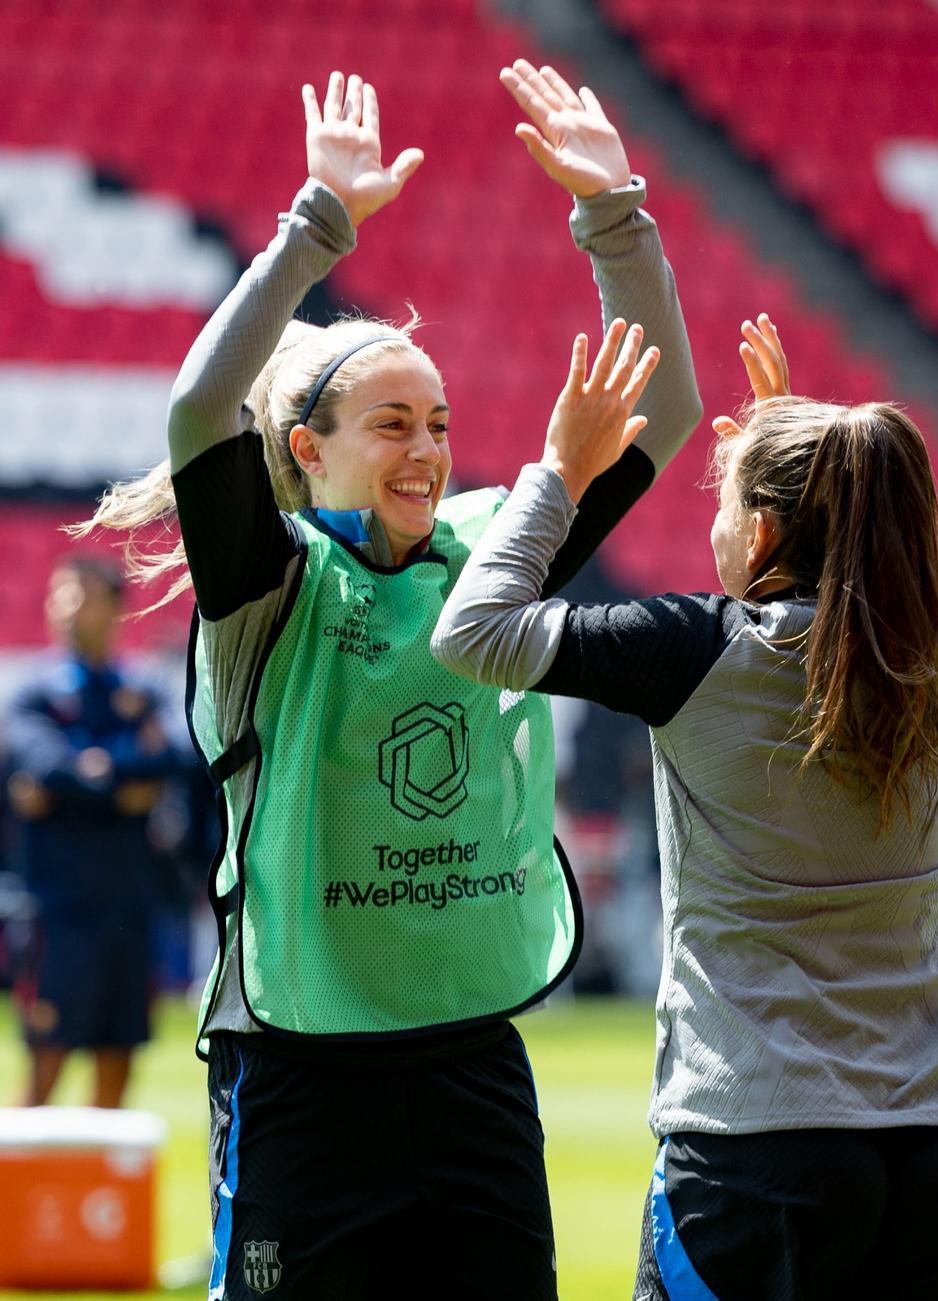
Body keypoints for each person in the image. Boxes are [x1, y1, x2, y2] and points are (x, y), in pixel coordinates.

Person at [80, 65, 699, 1299]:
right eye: (391, 423)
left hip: (471, 1057)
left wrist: (616, 211)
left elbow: (668, 404)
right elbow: (204, 406)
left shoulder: (490, 548)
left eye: (440, 420)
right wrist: (318, 221)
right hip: (301, 1061)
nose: (428, 449)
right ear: (307, 451)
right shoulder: (268, 574)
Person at [432, 316, 938, 1300]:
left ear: (767, 530)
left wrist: (562, 471)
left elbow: (473, 633)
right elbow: (847, 574)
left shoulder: (695, 651)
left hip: (760, 1139)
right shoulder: (931, 657)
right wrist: (785, 442)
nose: (714, 525)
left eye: (726, 503)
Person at [6, 554, 180, 1108]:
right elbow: (43, 762)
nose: (63, 608)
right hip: (58, 913)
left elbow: (175, 757)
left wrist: (76, 782)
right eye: (58, 595)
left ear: (113, 608)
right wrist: (121, 781)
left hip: (129, 908)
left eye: (78, 594)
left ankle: (98, 1194)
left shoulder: (145, 688)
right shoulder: (33, 693)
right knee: (46, 1065)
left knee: (118, 1063)